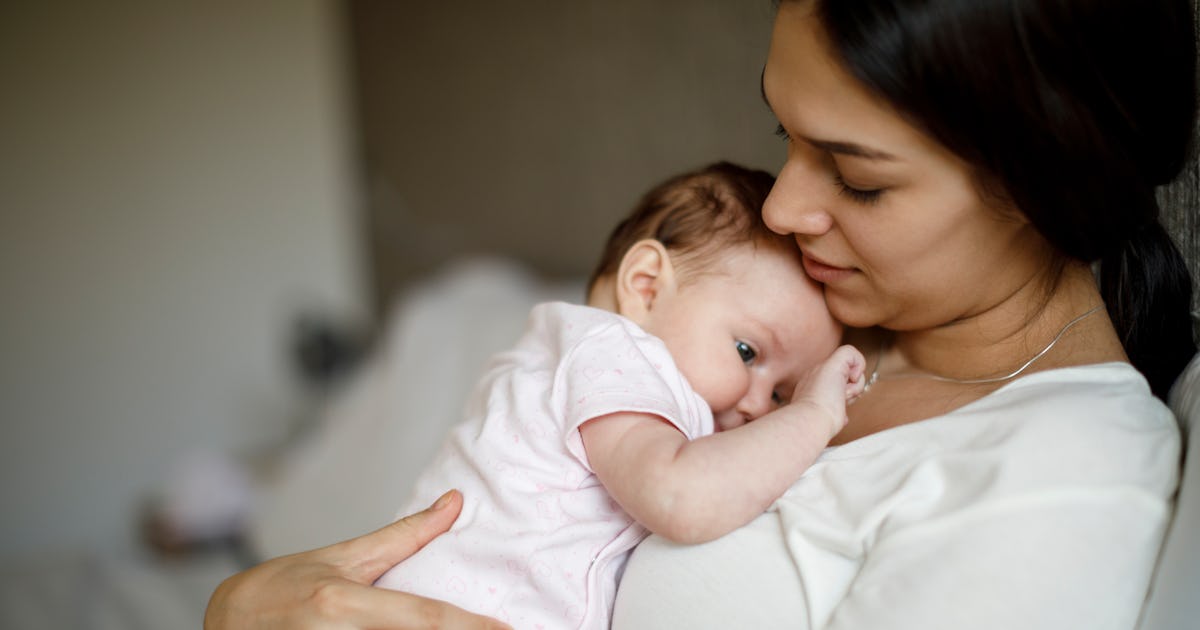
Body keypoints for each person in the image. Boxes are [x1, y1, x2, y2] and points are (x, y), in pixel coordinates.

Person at [204, 0, 1197, 628]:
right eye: (785, 136)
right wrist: (245, 607)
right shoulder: (789, 311)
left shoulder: (1059, 470)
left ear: (1041, 182)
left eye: (857, 179)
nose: (782, 209)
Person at [372, 162, 863, 629]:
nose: (760, 406)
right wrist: (814, 413)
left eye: (781, 394)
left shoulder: (572, 357)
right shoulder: (613, 356)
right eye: (747, 351)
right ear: (646, 288)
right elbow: (679, 496)